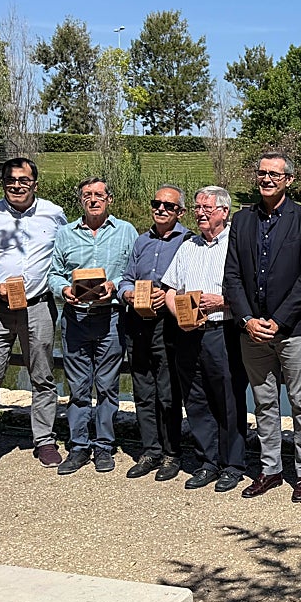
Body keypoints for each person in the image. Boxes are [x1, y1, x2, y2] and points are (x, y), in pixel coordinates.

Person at [0, 157, 67, 474]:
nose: (17, 185)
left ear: (35, 182)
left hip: (38, 306)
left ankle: (45, 440)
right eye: (10, 180)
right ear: (3, 182)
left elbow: (64, 256)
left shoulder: (55, 214)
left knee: (43, 377)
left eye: (23, 180)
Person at [224, 153, 301, 502]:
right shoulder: (242, 219)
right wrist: (247, 320)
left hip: (291, 328)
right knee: (264, 402)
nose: (266, 179)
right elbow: (232, 276)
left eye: (274, 174)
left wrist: (278, 320)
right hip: (252, 330)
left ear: (288, 180)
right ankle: (271, 469)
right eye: (262, 173)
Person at [163, 186, 249, 494]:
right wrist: (179, 316)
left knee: (228, 398)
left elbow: (248, 294)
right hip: (189, 333)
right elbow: (170, 289)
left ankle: (233, 464)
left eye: (206, 208)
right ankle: (207, 462)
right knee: (196, 399)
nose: (200, 212)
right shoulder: (188, 246)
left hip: (222, 331)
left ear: (224, 212)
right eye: (197, 207)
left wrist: (223, 302)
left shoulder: (235, 246)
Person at [49, 177, 137, 475]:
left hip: (111, 317)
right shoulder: (65, 234)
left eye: (99, 194)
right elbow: (53, 273)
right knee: (77, 387)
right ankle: (78, 447)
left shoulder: (126, 231)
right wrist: (64, 290)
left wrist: (117, 285)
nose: (93, 199)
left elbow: (134, 271)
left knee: (108, 386)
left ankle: (104, 446)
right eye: (87, 195)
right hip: (76, 318)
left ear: (109, 199)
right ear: (81, 200)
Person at [116, 185, 191, 481]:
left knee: (168, 392)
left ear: (180, 212)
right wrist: (129, 294)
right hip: (137, 321)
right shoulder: (140, 241)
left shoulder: (188, 242)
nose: (160, 209)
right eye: (156, 203)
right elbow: (124, 279)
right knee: (143, 388)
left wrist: (170, 294)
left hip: (168, 324)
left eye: (168, 206)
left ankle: (172, 453)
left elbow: (192, 283)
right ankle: (150, 450)